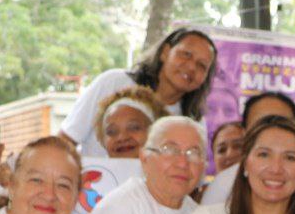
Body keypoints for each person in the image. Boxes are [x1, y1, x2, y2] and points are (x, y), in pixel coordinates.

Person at [60, 27, 216, 158]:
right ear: (165, 52)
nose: (191, 67)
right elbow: (65, 141)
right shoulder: (112, 83)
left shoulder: (193, 121)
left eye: (202, 65)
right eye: (186, 54)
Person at [73, 85, 168, 214]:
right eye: (111, 132)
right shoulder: (85, 183)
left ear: (156, 131)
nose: (122, 137)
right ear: (102, 140)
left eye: (134, 127)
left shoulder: (171, 181)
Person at [200, 91, 295, 207]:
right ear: (245, 133)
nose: (272, 132)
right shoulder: (222, 186)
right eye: (261, 125)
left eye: (282, 124)